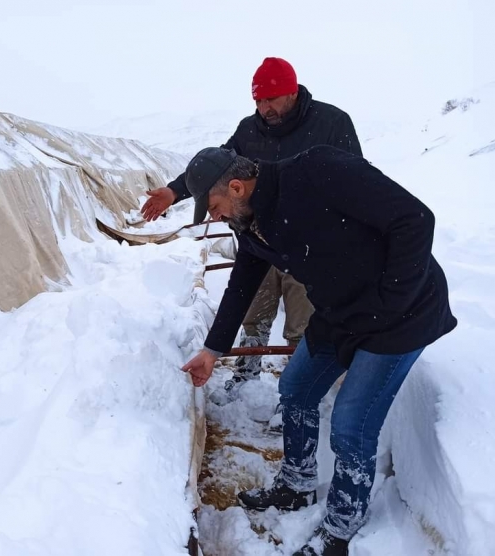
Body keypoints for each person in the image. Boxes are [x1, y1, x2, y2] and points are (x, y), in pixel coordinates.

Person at [180, 146, 456, 555]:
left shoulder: (317, 171)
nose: (214, 217)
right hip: (339, 311)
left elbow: (415, 220)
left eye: (215, 207)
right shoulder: (250, 221)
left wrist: (391, 303)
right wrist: (212, 349)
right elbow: (243, 281)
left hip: (402, 314)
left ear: (236, 187)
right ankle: (296, 483)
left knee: (350, 425)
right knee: (295, 387)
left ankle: (340, 530)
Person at [142, 58, 362, 403]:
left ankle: (297, 392)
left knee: (302, 322)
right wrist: (174, 191)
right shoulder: (250, 130)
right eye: (258, 101)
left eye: (271, 99)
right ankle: (247, 372)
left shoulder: (332, 123)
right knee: (254, 309)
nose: (264, 108)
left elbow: (356, 182)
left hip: (309, 246)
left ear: (292, 91)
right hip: (259, 238)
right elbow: (217, 168)